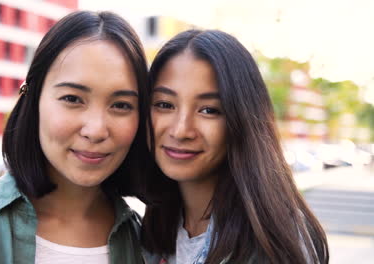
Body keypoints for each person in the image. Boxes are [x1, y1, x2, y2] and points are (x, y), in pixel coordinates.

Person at [0, 11, 148, 264]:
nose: (96, 130)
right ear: (33, 100)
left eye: (121, 105)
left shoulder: (150, 247)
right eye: (72, 99)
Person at [141, 29, 329, 264]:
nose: (181, 130)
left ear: (241, 120)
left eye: (209, 110)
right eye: (165, 104)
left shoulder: (271, 245)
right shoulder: (152, 228)